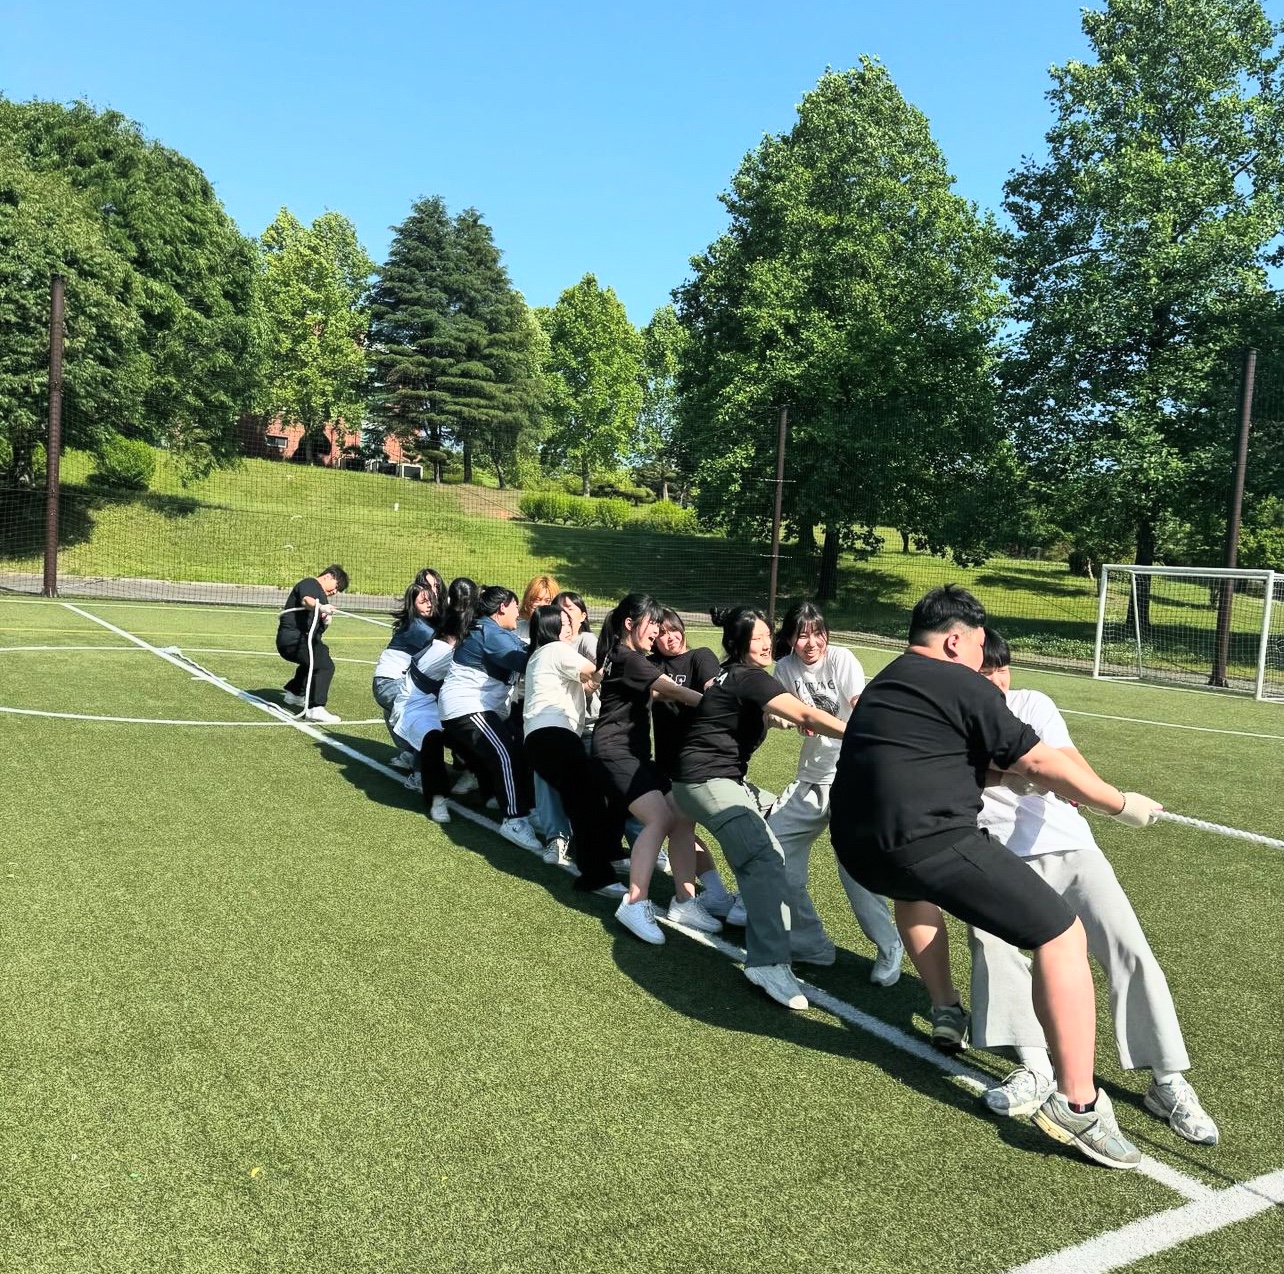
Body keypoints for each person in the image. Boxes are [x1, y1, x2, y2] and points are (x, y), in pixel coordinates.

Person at [829, 583, 1164, 1170]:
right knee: (1061, 934)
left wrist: (1004, 779)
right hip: (926, 841)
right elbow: (1039, 757)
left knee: (916, 894)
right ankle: (1079, 1104)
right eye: (981, 647)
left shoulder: (886, 682)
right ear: (955, 641)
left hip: (859, 851)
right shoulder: (961, 680)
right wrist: (1118, 803)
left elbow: (931, 758)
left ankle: (948, 1007)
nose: (985, 660)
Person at [968, 629, 1218, 1144]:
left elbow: (1066, 759)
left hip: (1069, 846)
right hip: (995, 855)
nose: (997, 681)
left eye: (1002, 669)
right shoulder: (953, 717)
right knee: (993, 948)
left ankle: (1167, 1078)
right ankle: (1036, 1067)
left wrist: (1112, 799)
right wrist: (1009, 771)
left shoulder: (1032, 703)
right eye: (984, 673)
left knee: (1128, 947)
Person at [671, 606, 847, 1011]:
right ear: (738, 644)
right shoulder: (750, 677)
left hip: (710, 779)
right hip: (708, 780)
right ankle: (767, 962)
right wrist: (861, 734)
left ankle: (805, 940)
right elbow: (806, 712)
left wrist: (774, 720)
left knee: (778, 826)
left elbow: (740, 715)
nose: (768, 644)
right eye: (757, 638)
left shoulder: (731, 675)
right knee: (765, 857)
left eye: (769, 635)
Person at [766, 601, 903, 983]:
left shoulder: (841, 659)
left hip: (850, 777)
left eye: (817, 633)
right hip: (811, 778)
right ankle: (810, 943)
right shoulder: (784, 668)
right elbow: (778, 712)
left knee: (852, 867)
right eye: (802, 635)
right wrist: (784, 718)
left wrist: (824, 723)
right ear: (790, 638)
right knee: (774, 848)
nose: (811, 642)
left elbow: (861, 708)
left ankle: (889, 945)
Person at [592, 593, 719, 944]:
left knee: (681, 816)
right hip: (615, 752)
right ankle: (635, 902)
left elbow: (660, 693)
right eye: (653, 625)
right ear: (630, 624)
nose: (657, 633)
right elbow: (674, 691)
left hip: (633, 755)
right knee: (659, 819)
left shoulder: (625, 657)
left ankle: (685, 901)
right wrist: (721, 707)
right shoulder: (628, 657)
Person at [523, 604, 625, 896]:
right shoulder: (557, 649)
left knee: (588, 797)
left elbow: (582, 685)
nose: (571, 627)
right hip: (555, 735)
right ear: (552, 628)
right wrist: (622, 657)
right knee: (587, 800)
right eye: (565, 622)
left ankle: (604, 857)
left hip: (541, 739)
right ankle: (597, 875)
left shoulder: (540, 654)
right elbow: (597, 673)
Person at [438, 585, 542, 853]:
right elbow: (527, 662)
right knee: (505, 754)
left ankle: (516, 804)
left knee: (514, 749)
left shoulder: (493, 631)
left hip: (475, 707)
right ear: (502, 607)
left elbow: (522, 648)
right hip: (468, 706)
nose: (518, 613)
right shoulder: (490, 633)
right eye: (515, 607)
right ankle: (515, 820)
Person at [649, 609, 738, 917]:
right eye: (661, 634)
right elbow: (650, 689)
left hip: (701, 759)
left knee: (705, 826)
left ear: (682, 628)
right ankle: (715, 894)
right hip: (667, 762)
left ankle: (725, 895)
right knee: (680, 828)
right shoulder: (653, 664)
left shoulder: (700, 656)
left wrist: (678, 693)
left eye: (673, 630)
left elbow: (713, 688)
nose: (669, 638)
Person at [373, 580, 439, 770]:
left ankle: (409, 754)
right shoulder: (417, 627)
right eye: (423, 602)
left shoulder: (418, 623)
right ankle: (420, 774)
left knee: (395, 711)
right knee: (423, 717)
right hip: (390, 683)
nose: (429, 605)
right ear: (412, 605)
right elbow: (443, 644)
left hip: (388, 682)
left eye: (431, 600)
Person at [277, 564, 349, 724]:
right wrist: (321, 607)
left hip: (299, 641)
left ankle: (295, 694)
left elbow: (316, 626)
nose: (335, 592)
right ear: (329, 576)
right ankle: (316, 708)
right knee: (325, 665)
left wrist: (326, 620)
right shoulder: (310, 583)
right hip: (293, 639)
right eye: (337, 586)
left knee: (319, 653)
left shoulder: (322, 597)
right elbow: (306, 600)